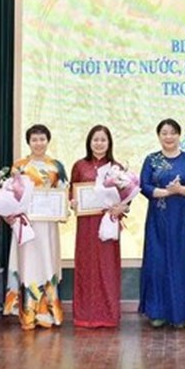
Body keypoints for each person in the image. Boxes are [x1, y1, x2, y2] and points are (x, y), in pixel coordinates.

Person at [3, 124, 68, 330]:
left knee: (47, 263)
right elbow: (10, 195)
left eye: (42, 139)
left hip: (48, 226)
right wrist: (9, 213)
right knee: (27, 265)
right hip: (26, 225)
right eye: (34, 139)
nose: (38, 143)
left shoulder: (57, 167)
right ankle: (28, 314)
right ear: (28, 142)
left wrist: (64, 209)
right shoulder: (19, 167)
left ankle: (48, 313)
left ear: (48, 141)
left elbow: (64, 193)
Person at [139, 118, 185, 328]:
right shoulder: (151, 159)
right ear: (159, 136)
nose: (169, 137)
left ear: (179, 135)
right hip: (157, 218)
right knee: (157, 263)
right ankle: (157, 313)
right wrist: (167, 192)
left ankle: (180, 315)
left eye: (173, 132)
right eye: (164, 133)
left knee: (179, 263)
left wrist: (181, 190)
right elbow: (144, 186)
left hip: (180, 220)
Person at [69, 125, 126, 328]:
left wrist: (122, 206)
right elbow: (71, 191)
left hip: (108, 223)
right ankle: (84, 315)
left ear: (109, 143)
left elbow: (126, 197)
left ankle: (108, 315)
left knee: (107, 267)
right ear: (89, 142)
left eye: (103, 139)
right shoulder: (79, 166)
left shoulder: (116, 168)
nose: (99, 143)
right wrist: (72, 202)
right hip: (86, 224)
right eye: (95, 139)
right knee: (86, 266)